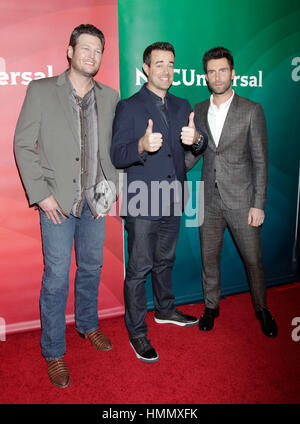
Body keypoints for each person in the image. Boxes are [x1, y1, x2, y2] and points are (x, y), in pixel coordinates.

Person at [14, 24, 121, 388]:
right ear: (70, 51)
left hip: (95, 203)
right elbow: (22, 144)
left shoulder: (111, 96)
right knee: (57, 279)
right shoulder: (42, 90)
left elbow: (113, 150)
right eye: (85, 48)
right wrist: (41, 195)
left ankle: (88, 325)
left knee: (92, 267)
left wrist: (112, 192)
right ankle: (54, 350)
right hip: (57, 205)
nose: (91, 55)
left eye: (97, 50)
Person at [111, 42, 207, 363]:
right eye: (159, 64)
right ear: (146, 69)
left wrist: (197, 141)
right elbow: (117, 155)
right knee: (139, 268)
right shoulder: (129, 106)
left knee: (166, 260)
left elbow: (198, 144)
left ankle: (165, 309)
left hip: (172, 198)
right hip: (141, 201)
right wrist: (140, 144)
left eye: (171, 64)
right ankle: (137, 331)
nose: (166, 70)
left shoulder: (182, 104)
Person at [185, 47, 278, 338]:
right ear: (206, 76)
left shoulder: (251, 110)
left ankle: (262, 309)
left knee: (253, 260)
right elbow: (196, 153)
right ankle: (211, 307)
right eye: (211, 71)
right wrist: (172, 166)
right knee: (208, 258)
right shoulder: (198, 109)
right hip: (208, 201)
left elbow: (261, 160)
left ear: (232, 73)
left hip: (242, 201)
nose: (217, 76)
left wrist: (258, 204)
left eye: (222, 70)